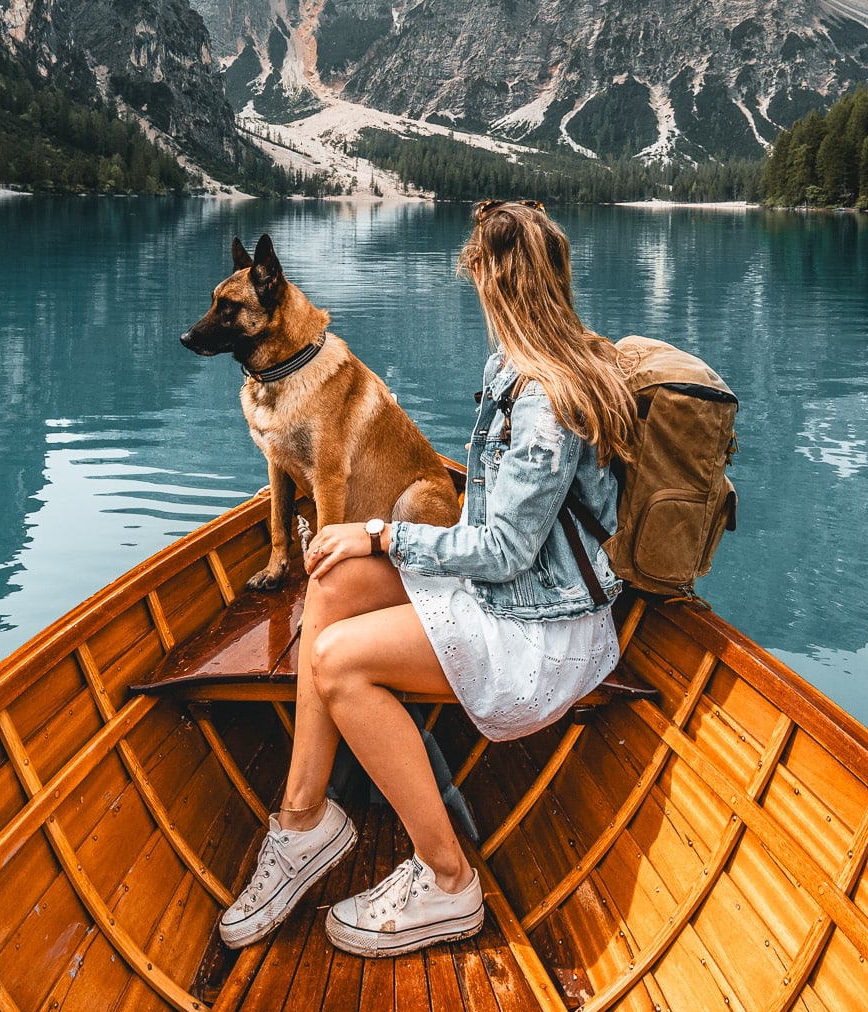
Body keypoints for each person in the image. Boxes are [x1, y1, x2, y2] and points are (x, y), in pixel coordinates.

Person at [218, 200, 642, 957]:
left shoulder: (549, 396)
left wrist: (385, 531)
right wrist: (367, 546)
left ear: (496, 283)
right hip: (506, 591)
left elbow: (507, 550)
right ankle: (304, 821)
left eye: (478, 278)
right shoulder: (517, 364)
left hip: (538, 627)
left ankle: (449, 883)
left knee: (337, 661)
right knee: (334, 575)